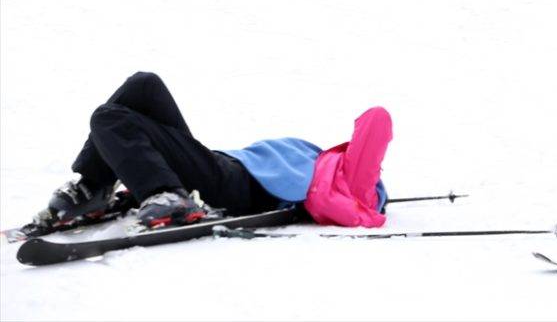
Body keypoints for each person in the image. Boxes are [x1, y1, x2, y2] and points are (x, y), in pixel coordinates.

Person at [31, 71, 392, 231]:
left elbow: (377, 121)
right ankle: (93, 186)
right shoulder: (325, 160)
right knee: (144, 85)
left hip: (231, 186)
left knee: (109, 119)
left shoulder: (353, 191)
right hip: (218, 166)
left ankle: (168, 195)